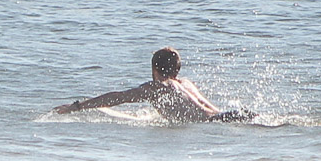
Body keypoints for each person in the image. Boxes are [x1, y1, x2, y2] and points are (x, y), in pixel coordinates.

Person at [52, 47, 257, 123]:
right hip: (228, 116)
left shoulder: (157, 88)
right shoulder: (186, 83)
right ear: (177, 70)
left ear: (154, 70)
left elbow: (117, 98)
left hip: (215, 123)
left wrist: (77, 106)